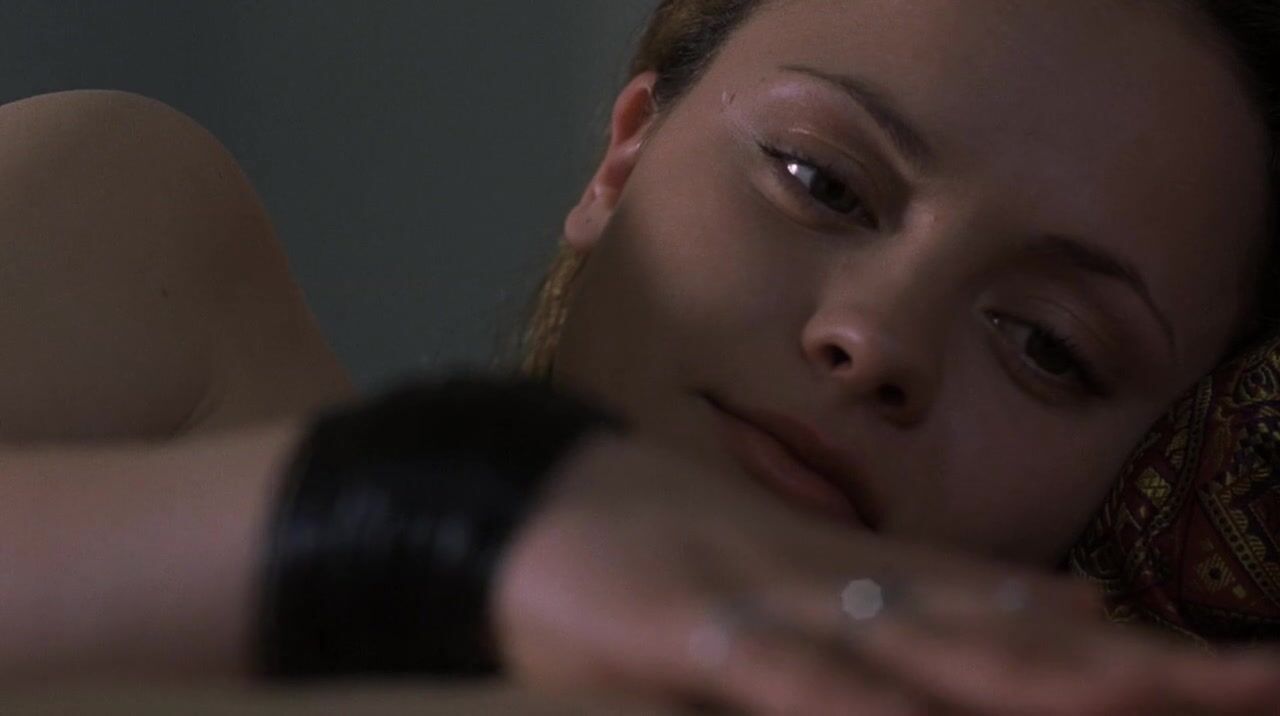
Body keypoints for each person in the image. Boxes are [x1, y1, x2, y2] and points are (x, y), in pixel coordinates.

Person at [2, 0, 1280, 714]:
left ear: (1145, 466)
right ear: (622, 156)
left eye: (1050, 346)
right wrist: (430, 519)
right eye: (820, 180)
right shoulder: (141, 244)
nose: (877, 337)